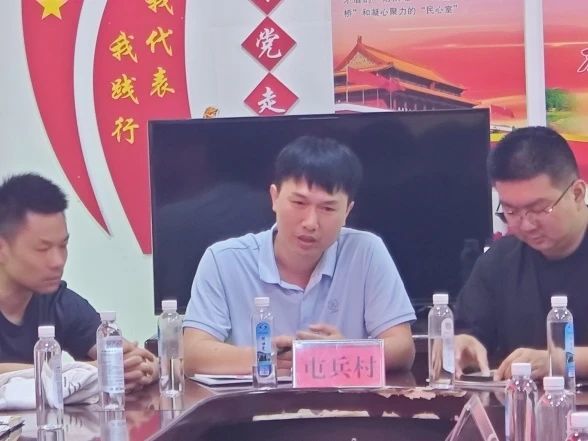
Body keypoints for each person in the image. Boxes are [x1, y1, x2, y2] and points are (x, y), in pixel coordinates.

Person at [183, 136, 416, 375]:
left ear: (347, 211)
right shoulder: (224, 260)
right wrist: (264, 357)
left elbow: (403, 349)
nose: (310, 223)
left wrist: (344, 351)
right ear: (274, 198)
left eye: (327, 208)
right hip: (254, 399)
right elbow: (192, 353)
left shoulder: (366, 251)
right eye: (299, 203)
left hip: (341, 399)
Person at [0, 173, 157, 392]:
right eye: (43, 249)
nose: (58, 261)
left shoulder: (57, 300)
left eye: (63, 246)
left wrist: (144, 367)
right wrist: (88, 371)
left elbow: (125, 357)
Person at [455, 126, 588, 380]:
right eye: (511, 211)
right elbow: (468, 330)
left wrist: (561, 361)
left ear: (577, 194)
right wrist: (463, 345)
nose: (525, 225)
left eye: (539, 209)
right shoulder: (498, 262)